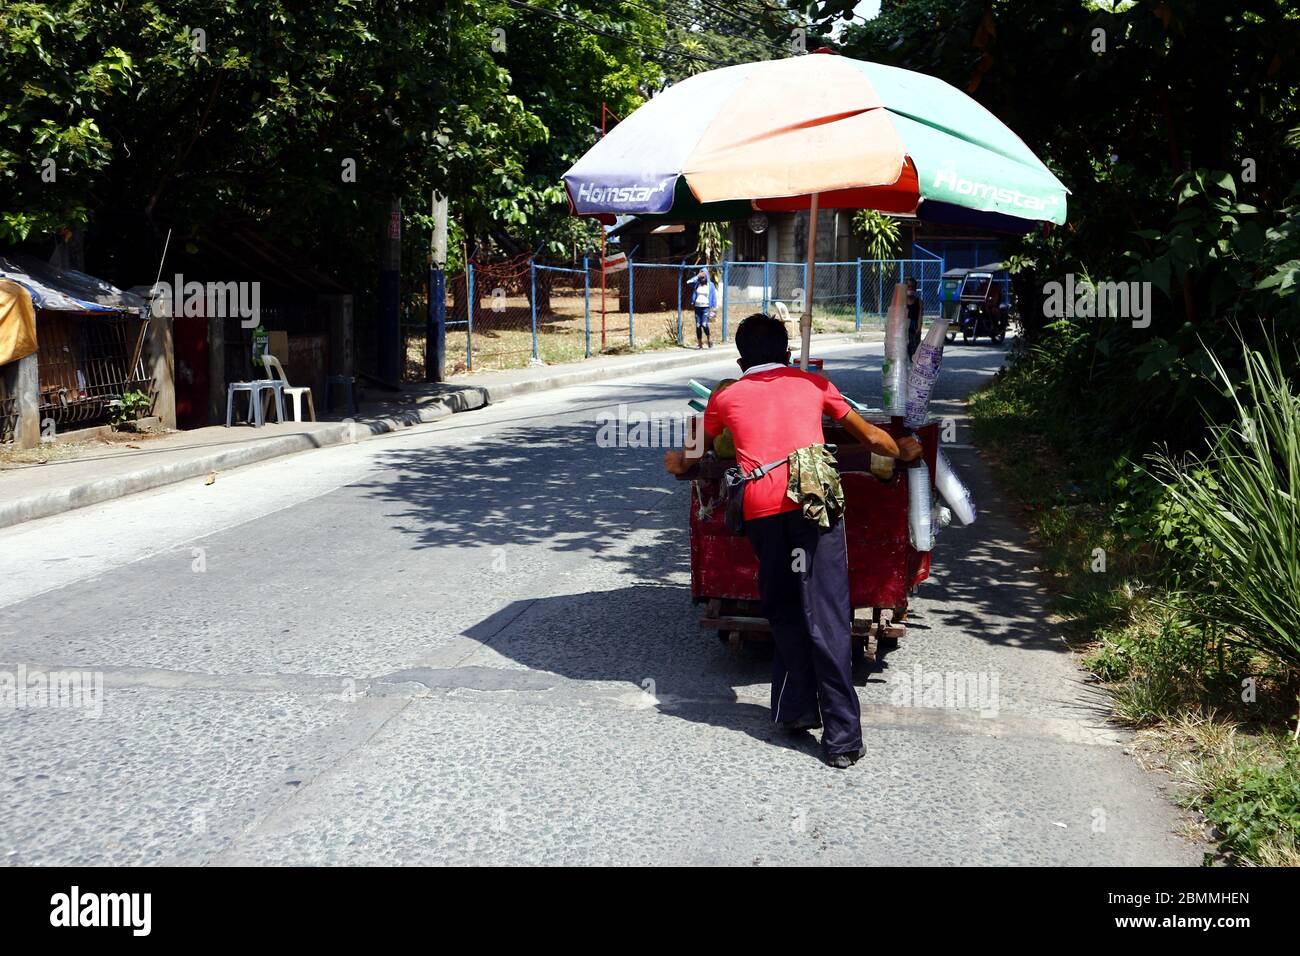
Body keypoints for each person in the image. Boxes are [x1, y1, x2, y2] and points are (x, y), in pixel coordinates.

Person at [664, 313, 922, 768]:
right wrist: (902, 450)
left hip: (763, 513)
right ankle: (842, 739)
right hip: (813, 509)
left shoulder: (726, 397)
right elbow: (872, 437)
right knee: (826, 615)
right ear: (786, 354)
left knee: (782, 609)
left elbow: (688, 457)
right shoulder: (813, 386)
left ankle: (795, 711)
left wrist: (675, 463)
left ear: (741, 360)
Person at [685, 268, 715, 349]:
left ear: (707, 276)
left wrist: (713, 309)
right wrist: (697, 276)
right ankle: (700, 344)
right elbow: (688, 282)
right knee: (698, 325)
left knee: (704, 324)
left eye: (703, 275)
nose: (702, 278)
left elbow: (713, 298)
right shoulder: (697, 283)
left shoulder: (711, 285)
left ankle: (709, 338)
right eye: (701, 276)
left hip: (706, 307)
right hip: (697, 307)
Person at [905, 277, 923, 359]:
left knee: (915, 353)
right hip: (904, 329)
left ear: (915, 288)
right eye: (908, 287)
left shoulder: (919, 301)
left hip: (914, 328)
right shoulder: (902, 301)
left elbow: (920, 316)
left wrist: (919, 328)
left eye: (913, 287)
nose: (910, 289)